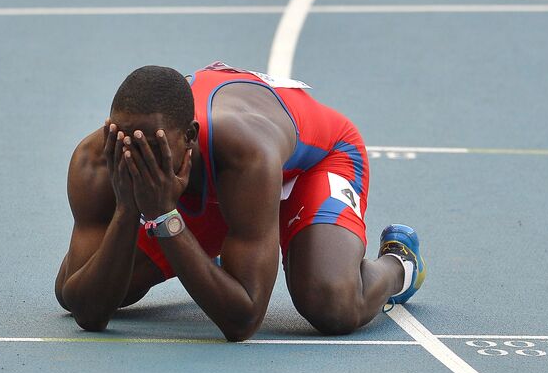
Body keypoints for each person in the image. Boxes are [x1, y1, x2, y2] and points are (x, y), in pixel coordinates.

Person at [54, 63, 424, 341]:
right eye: (128, 147)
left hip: (314, 162)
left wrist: (165, 216)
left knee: (331, 305)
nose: (139, 163)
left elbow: (243, 319)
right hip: (220, 186)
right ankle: (208, 251)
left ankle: (399, 264)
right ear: (109, 133)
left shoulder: (247, 153)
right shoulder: (96, 161)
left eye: (156, 152)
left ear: (189, 137)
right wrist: (126, 209)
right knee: (94, 287)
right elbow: (86, 307)